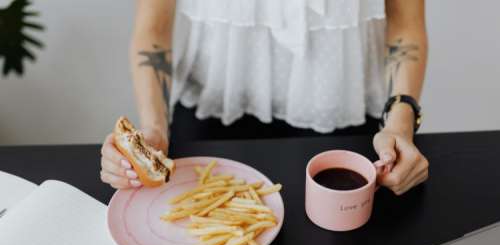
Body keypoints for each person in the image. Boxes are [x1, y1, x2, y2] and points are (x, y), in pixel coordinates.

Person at [100, 0, 429, 195]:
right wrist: (154, 130)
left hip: (345, 113)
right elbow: (153, 29)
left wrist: (400, 126)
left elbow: (406, 25)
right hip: (211, 111)